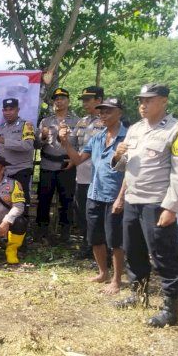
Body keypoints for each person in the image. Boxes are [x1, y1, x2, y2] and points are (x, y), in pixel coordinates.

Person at [111, 84, 178, 327]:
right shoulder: (135, 129)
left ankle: (171, 308)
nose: (143, 105)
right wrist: (117, 156)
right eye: (141, 100)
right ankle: (139, 295)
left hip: (157, 203)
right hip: (134, 201)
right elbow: (126, 167)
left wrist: (171, 207)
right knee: (133, 250)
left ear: (164, 101)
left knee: (163, 255)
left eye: (149, 100)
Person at [60, 97, 126, 294]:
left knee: (115, 240)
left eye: (108, 111)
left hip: (115, 195)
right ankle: (103, 272)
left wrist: (121, 198)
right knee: (95, 236)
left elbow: (132, 172)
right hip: (94, 192)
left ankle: (116, 279)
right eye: (102, 112)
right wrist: (65, 143)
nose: (104, 115)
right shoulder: (97, 137)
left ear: (119, 113)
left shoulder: (128, 138)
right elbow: (79, 159)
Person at [35, 88, 80, 243]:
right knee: (44, 199)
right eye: (56, 99)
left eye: (62, 99)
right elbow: (36, 145)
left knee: (66, 200)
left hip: (67, 165)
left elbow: (80, 144)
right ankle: (41, 231)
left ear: (68, 101)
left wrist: (75, 160)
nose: (59, 102)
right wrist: (43, 136)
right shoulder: (46, 121)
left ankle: (65, 232)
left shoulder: (77, 122)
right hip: (47, 164)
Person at [72, 86, 106, 258]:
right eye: (83, 100)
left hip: (100, 177)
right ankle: (87, 246)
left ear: (99, 100)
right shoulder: (82, 122)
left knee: (98, 215)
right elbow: (73, 144)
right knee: (82, 213)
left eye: (88, 100)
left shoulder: (108, 121)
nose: (84, 103)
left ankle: (101, 249)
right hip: (81, 175)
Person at [0, 97, 35, 206]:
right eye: (6, 110)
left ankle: (22, 222)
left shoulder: (26, 125)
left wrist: (6, 141)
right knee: (4, 199)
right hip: (5, 171)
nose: (8, 112)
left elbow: (28, 145)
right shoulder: (0, 128)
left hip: (21, 169)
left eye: (11, 109)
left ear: (18, 110)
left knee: (20, 200)